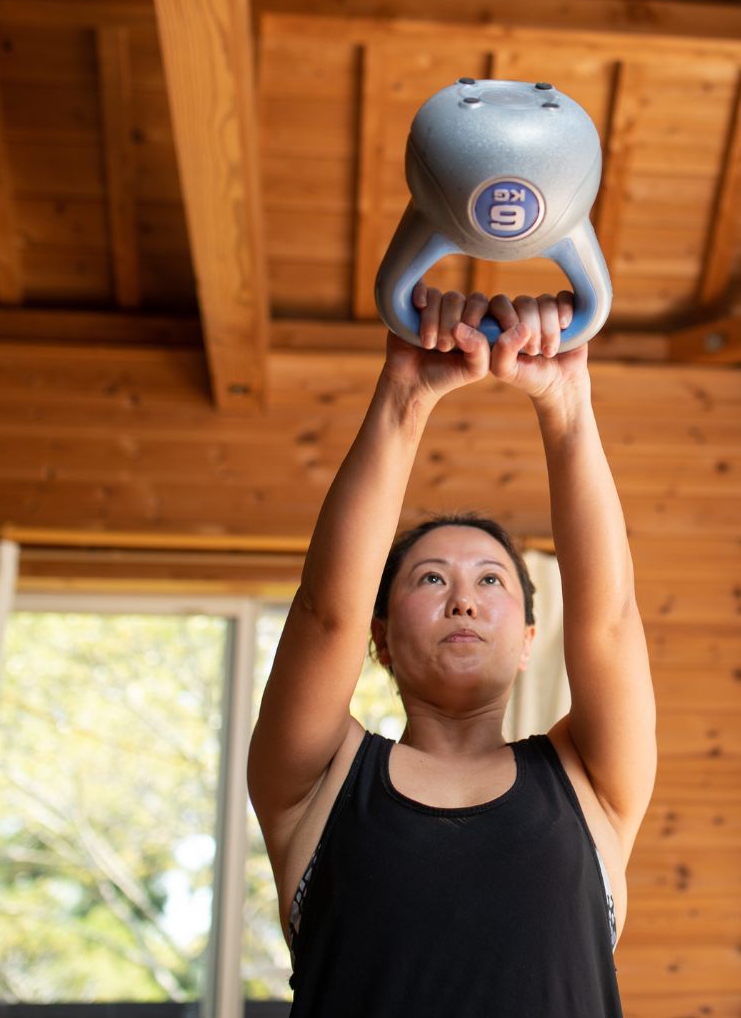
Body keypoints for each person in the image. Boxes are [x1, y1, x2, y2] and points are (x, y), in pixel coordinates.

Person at [248, 286, 656, 1017]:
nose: (463, 600)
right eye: (431, 579)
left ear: (531, 640)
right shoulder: (317, 780)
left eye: (491, 580)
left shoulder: (590, 781)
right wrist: (403, 396)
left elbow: (610, 624)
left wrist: (566, 405)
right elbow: (323, 614)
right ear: (380, 641)